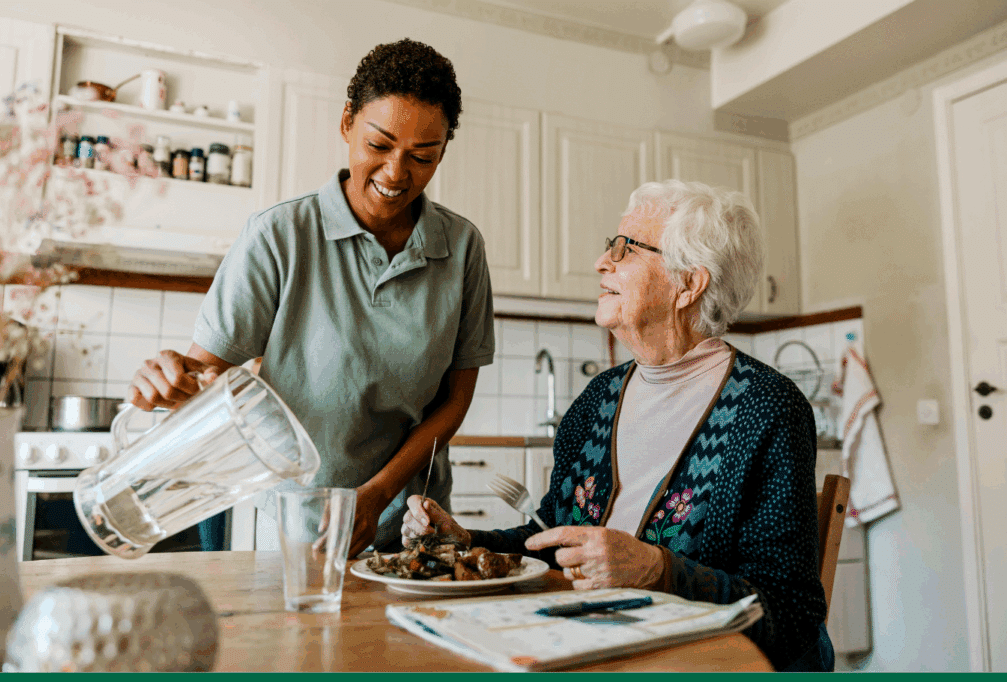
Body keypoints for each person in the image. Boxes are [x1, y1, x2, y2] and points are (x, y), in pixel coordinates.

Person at [402, 179, 833, 672]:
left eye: (625, 249)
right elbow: (548, 540)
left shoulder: (767, 408)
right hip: (603, 651)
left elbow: (792, 613)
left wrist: (658, 569)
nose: (601, 262)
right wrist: (466, 542)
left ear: (688, 284)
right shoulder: (597, 401)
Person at [128, 39, 494, 557]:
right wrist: (170, 379)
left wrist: (375, 496)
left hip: (415, 521)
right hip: (299, 522)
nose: (395, 173)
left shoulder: (461, 248)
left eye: (422, 156)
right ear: (347, 121)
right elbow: (205, 374)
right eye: (379, 144)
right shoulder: (278, 236)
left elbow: (454, 399)